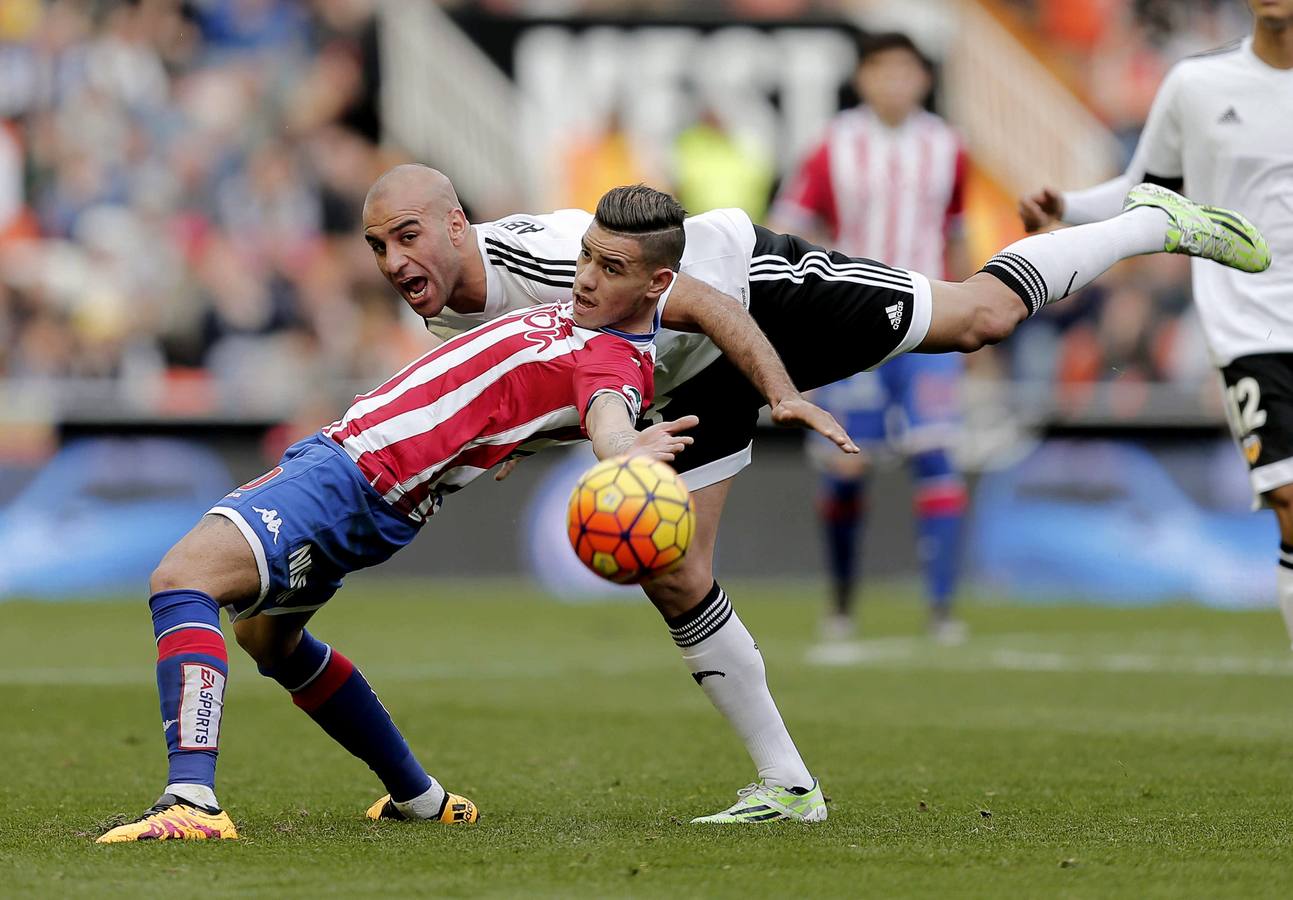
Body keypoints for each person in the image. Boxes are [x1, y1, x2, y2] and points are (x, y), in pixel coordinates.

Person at [369, 163, 1268, 823]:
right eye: (376, 245)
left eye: (406, 235)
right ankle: (788, 786)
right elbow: (578, 372)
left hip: (754, 293)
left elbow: (703, 312)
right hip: (682, 382)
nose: (391, 259)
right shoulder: (449, 305)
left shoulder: (552, 254)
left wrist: (780, 390)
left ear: (455, 223)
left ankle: (1149, 222)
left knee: (977, 319)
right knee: (676, 575)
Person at [97, 185, 853, 842]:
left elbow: (607, 417)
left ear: (656, 285)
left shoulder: (614, 359)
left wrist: (625, 455)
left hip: (356, 476)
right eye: (586, 256)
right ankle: (422, 800)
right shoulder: (591, 316)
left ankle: (191, 799)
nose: (583, 276)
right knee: (270, 639)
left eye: (607, 268)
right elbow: (670, 335)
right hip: (368, 483)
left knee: (181, 580)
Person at [1019, 0, 1293, 648]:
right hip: (1249, 329)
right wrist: (1070, 204)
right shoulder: (1197, 85)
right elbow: (1148, 189)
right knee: (1287, 500)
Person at [769, 32, 972, 644]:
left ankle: (941, 610)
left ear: (924, 80)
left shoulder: (947, 146)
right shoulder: (834, 145)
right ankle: (841, 602)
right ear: (863, 78)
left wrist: (973, 320)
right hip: (853, 324)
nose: (895, 83)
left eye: (907, 71)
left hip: (934, 323)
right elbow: (788, 225)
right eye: (883, 71)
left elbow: (956, 233)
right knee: (845, 465)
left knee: (937, 454)